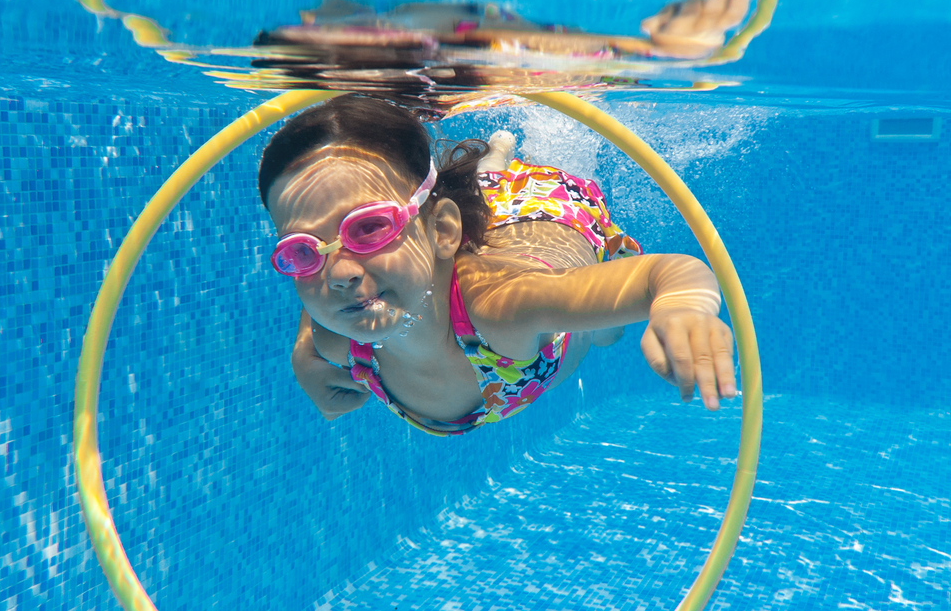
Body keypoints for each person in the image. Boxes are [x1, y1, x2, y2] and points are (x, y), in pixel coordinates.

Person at [259, 95, 736, 435]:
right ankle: (492, 165)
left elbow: (667, 272)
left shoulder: (502, 308)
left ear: (441, 233)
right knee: (479, 195)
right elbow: (331, 280)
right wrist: (304, 353)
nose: (339, 272)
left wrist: (682, 307)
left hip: (553, 216)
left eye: (368, 228)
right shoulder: (339, 335)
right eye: (301, 250)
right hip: (474, 225)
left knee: (606, 333)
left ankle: (499, 162)